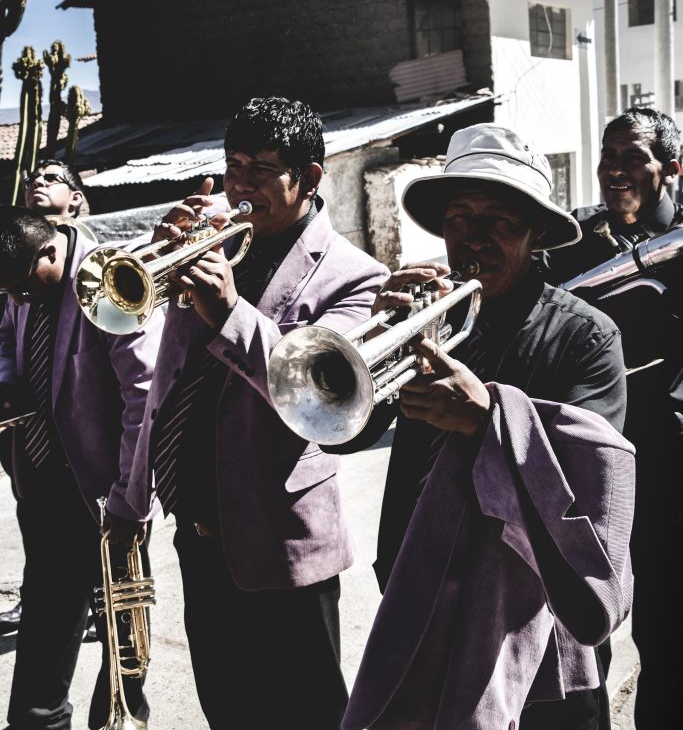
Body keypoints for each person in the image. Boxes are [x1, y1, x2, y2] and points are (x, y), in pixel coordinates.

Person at [326, 123, 634, 730]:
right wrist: (371, 343)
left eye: (499, 220)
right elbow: (341, 433)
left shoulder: (587, 337)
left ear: (536, 231)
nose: (474, 238)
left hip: (542, 623)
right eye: (459, 219)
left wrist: (487, 421)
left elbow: (590, 501)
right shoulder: (424, 319)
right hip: (426, 596)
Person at [125, 96, 389, 730]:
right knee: (228, 712)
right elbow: (167, 369)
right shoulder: (213, 243)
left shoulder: (356, 277)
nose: (239, 186)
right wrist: (159, 270)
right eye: (233, 165)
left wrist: (230, 310)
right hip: (197, 534)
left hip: (282, 543)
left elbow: (321, 390)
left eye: (262, 170)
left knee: (308, 716)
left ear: (310, 177)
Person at [542, 105, 683, 728]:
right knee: (580, 634)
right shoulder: (573, 240)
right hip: (585, 467)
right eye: (608, 157)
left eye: (633, 158)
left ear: (671, 168)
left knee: (669, 633)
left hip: (668, 464)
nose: (615, 171)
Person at [0, 206, 164, 730]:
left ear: (49, 251)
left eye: (22, 288)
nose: (17, 301)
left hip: (106, 493)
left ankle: (118, 719)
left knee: (122, 622)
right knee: (46, 614)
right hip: (41, 482)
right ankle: (37, 721)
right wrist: (5, 384)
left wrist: (130, 501)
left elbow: (145, 399)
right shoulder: (22, 281)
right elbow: (4, 335)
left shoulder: (112, 278)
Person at [0, 159, 95, 640]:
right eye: (33, 177)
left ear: (76, 198)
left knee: (113, 588)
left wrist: (134, 493)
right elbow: (5, 333)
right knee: (48, 583)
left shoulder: (100, 268)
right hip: (34, 456)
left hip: (93, 470)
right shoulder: (16, 258)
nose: (37, 181)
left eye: (52, 178)